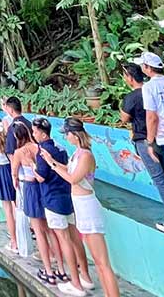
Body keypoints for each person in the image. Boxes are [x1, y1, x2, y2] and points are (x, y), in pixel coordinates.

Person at [39, 118, 120, 297]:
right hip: (80, 208)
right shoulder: (76, 154)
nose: (66, 137)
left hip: (88, 208)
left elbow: (73, 178)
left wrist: (51, 164)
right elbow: (68, 169)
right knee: (98, 263)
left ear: (75, 135)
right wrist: (50, 160)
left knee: (102, 263)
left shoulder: (86, 156)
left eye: (67, 134)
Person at [121, 63, 164, 234]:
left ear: (129, 77)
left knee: (160, 179)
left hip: (146, 140)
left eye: (124, 75)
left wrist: (149, 143)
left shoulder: (138, 94)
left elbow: (127, 118)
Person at [32, 117, 93, 296]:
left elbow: (42, 177)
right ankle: (85, 277)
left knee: (64, 240)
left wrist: (35, 168)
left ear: (43, 134)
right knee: (74, 238)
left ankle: (75, 283)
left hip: (53, 199)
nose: (33, 135)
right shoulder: (62, 148)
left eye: (35, 132)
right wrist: (53, 163)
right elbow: (67, 169)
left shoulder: (43, 152)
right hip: (68, 197)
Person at [11, 121, 64, 287]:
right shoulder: (39, 148)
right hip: (44, 189)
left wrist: (17, 183)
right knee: (50, 231)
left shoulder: (19, 152)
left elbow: (14, 175)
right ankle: (60, 268)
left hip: (31, 190)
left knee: (39, 232)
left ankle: (48, 271)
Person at [0, 115, 17, 253]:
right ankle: (21, 236)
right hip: (12, 171)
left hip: (2, 173)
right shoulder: (9, 139)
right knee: (16, 206)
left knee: (8, 210)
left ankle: (14, 241)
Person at [3, 96, 32, 162]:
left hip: (20, 164)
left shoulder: (12, 128)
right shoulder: (29, 124)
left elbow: (11, 153)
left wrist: (14, 170)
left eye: (7, 108)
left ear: (11, 110)